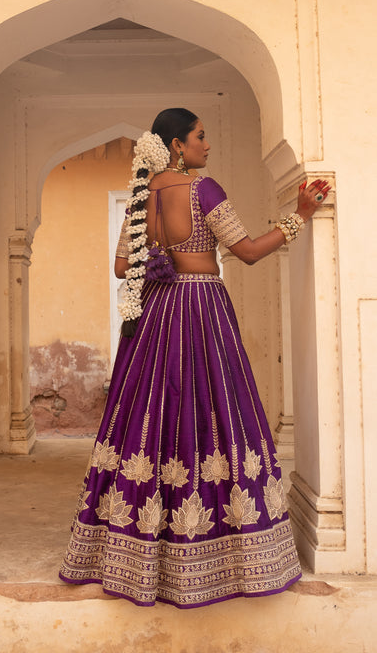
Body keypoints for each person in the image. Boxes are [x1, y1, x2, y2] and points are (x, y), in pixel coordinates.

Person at [59, 107, 329, 608]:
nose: (208, 145)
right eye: (201, 137)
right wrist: (300, 217)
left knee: (149, 419)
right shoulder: (204, 191)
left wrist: (160, 260)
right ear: (177, 145)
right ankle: (221, 557)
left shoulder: (141, 197)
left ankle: (133, 557)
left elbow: (123, 267)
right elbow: (246, 251)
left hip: (156, 313)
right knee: (214, 413)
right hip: (202, 307)